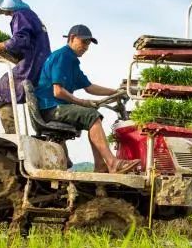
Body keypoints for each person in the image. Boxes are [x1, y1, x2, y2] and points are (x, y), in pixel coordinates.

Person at [35, 25, 140, 174]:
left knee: (91, 114)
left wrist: (117, 92)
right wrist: (82, 102)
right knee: (92, 115)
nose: (86, 47)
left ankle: (100, 166)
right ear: (71, 38)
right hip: (51, 108)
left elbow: (89, 87)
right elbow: (58, 92)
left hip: (57, 107)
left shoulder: (71, 61)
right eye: (83, 42)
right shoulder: (62, 56)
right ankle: (112, 163)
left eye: (88, 44)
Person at [0, 0, 51, 133]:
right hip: (41, 64)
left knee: (0, 91)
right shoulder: (30, 14)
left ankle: (13, 136)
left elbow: (21, 40)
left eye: (1, 7)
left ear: (6, 1)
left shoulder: (20, 15)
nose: (3, 13)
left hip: (32, 64)